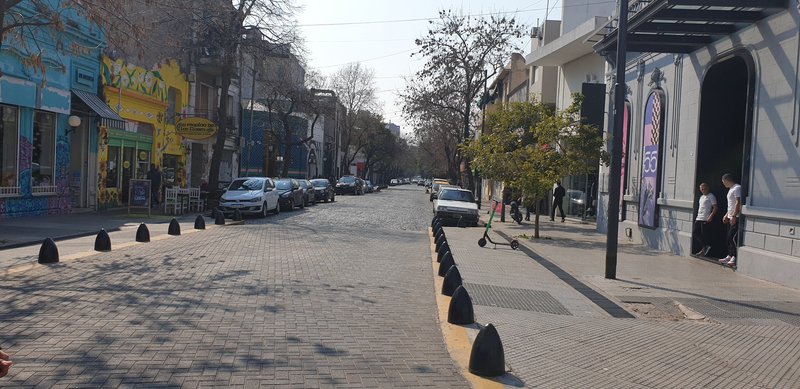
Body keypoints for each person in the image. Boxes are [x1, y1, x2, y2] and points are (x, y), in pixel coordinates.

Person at [720, 173, 741, 266]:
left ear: (726, 180)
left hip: (735, 217)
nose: (723, 184)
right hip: (729, 216)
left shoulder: (737, 188)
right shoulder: (730, 189)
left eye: (723, 182)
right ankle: (729, 255)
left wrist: (734, 216)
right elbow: (731, 205)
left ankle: (734, 257)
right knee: (728, 238)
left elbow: (738, 202)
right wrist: (726, 215)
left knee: (732, 237)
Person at [693, 182, 717, 256]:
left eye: (704, 189)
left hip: (705, 218)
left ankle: (705, 249)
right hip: (699, 217)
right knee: (695, 232)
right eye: (701, 189)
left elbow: (715, 207)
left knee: (704, 235)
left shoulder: (711, 196)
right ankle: (704, 247)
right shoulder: (701, 197)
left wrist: (711, 216)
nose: (703, 190)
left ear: (707, 188)